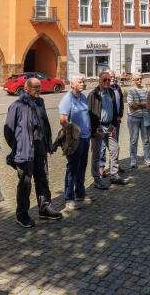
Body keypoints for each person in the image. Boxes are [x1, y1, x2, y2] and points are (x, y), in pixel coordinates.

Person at [5, 78, 63, 227]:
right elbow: (8, 131)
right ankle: (22, 214)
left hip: (40, 147)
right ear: (26, 89)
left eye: (40, 87)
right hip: (25, 150)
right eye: (35, 87)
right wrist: (18, 147)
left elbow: (45, 125)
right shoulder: (17, 106)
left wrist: (48, 142)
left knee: (43, 178)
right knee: (25, 183)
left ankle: (44, 208)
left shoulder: (40, 102)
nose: (38, 89)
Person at [59, 74, 93, 210]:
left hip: (86, 137)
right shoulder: (67, 99)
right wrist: (73, 134)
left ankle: (80, 192)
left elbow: (86, 115)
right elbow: (63, 120)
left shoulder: (83, 97)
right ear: (72, 84)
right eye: (79, 82)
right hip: (75, 140)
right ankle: (69, 197)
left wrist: (89, 129)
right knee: (72, 168)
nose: (82, 84)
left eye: (83, 81)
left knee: (82, 166)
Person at [87, 71, 120, 190]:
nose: (107, 82)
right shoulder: (93, 94)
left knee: (115, 149)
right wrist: (93, 129)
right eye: (105, 80)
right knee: (97, 154)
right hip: (98, 127)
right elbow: (89, 114)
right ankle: (97, 179)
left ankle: (114, 175)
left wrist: (115, 124)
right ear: (99, 81)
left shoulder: (111, 92)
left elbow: (115, 109)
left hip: (110, 125)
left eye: (109, 80)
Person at [98, 70, 126, 179]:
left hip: (114, 122)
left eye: (112, 77)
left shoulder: (116, 89)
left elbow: (119, 104)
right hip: (102, 125)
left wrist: (119, 117)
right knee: (102, 147)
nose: (111, 79)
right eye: (109, 78)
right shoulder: (98, 92)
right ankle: (101, 167)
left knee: (114, 146)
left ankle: (114, 168)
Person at [127, 72, 150, 168]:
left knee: (146, 139)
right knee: (134, 139)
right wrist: (143, 104)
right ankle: (133, 159)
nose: (139, 80)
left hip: (145, 117)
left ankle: (147, 158)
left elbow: (149, 103)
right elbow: (131, 105)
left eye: (141, 78)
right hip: (133, 118)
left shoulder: (146, 89)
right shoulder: (131, 91)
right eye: (137, 79)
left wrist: (139, 103)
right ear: (134, 80)